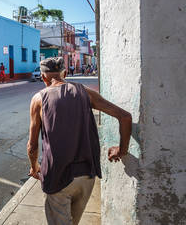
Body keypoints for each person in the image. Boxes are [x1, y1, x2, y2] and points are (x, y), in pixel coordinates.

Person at [27, 57, 132, 225]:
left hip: (57, 176)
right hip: (86, 175)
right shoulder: (85, 92)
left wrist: (34, 167)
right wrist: (122, 150)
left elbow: (32, 146)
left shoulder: (38, 99)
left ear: (43, 77)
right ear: (65, 73)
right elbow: (125, 117)